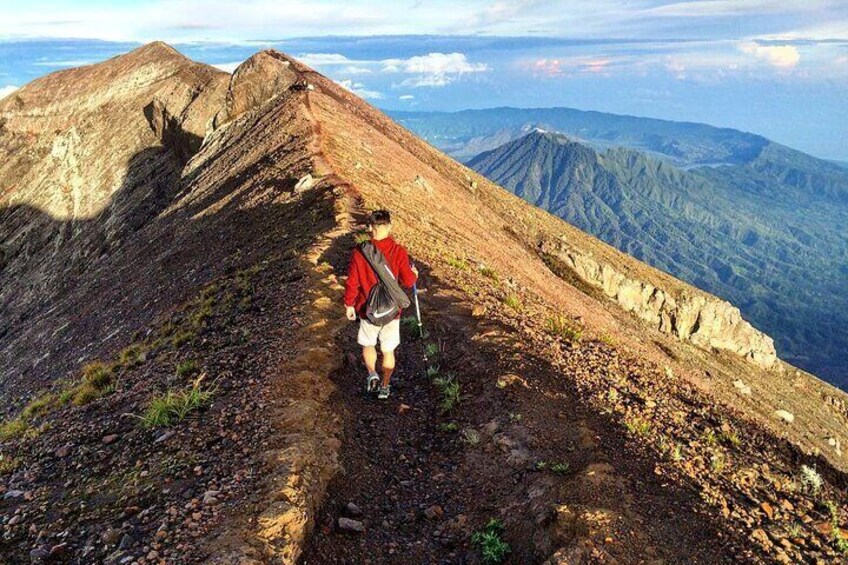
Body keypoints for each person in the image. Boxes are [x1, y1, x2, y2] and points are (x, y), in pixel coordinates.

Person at [344, 210, 418, 400]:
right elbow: (409, 281)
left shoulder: (360, 253)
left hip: (367, 309)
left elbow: (353, 282)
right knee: (388, 349)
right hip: (392, 311)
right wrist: (414, 274)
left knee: (368, 344)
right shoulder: (398, 251)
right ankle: (385, 386)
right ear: (389, 227)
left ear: (370, 228)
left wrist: (349, 304)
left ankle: (372, 374)